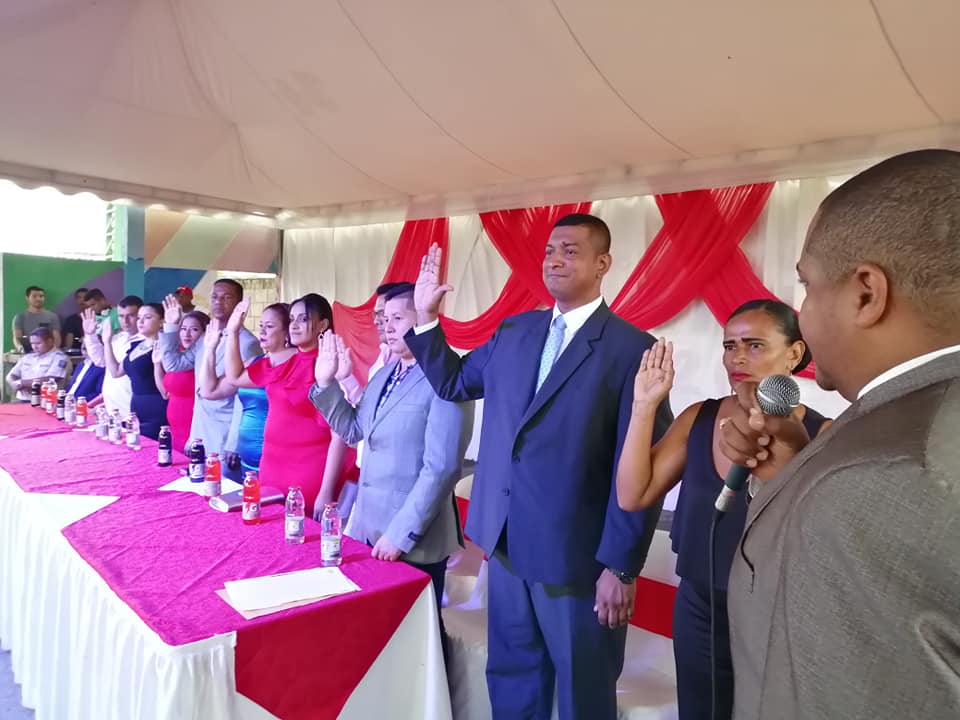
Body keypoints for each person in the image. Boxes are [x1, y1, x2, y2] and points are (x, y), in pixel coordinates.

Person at [717, 149, 960, 720]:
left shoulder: (881, 478)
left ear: (866, 294)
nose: (802, 309)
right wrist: (793, 470)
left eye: (806, 285)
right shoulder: (909, 421)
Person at [405, 214, 673, 720]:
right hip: (506, 545)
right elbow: (454, 382)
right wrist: (425, 318)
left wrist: (621, 566)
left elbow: (644, 466)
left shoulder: (631, 349)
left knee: (583, 691)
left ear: (602, 264)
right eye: (550, 250)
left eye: (570, 250)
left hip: (578, 558)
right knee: (513, 677)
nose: (555, 260)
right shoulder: (516, 331)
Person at [615, 300, 832, 720]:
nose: (738, 358)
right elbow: (632, 495)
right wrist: (644, 406)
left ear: (794, 353)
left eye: (754, 345)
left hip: (777, 612)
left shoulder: (821, 434)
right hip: (699, 606)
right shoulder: (699, 417)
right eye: (730, 346)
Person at [310, 283, 473, 657]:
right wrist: (325, 382)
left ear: (425, 318)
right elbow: (355, 430)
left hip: (413, 537)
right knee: (376, 637)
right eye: (383, 318)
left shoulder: (445, 373)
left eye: (398, 318)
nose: (387, 326)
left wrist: (401, 534)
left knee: (416, 642)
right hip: (368, 526)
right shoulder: (385, 373)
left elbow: (442, 467)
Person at [224, 294, 350, 516]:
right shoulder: (284, 360)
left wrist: (326, 491)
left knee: (301, 530)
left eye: (304, 319)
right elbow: (234, 377)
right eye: (292, 319)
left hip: (310, 469)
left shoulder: (331, 366)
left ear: (322, 324)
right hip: (272, 464)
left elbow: (339, 434)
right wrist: (233, 332)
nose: (294, 325)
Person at [158, 279, 260, 476]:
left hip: (224, 436)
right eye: (214, 297)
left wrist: (234, 443)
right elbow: (174, 364)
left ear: (239, 304)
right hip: (200, 432)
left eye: (226, 297)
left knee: (221, 489)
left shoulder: (247, 343)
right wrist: (171, 326)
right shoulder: (206, 337)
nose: (218, 302)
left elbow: (244, 398)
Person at [334, 281, 403, 523]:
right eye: (378, 315)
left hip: (393, 479)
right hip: (368, 470)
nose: (379, 321)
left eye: (386, 315)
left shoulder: (415, 366)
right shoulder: (384, 356)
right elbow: (370, 411)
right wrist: (344, 378)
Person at [202, 304, 286, 475]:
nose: (262, 331)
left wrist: (233, 333)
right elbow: (209, 391)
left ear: (287, 331)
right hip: (247, 461)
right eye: (261, 325)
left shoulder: (294, 364)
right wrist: (210, 349)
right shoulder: (254, 362)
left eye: (269, 326)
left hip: (277, 461)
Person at [102, 303, 168, 439]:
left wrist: (157, 364)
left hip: (156, 404)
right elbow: (115, 372)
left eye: (147, 317)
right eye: (139, 318)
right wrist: (107, 342)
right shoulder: (136, 345)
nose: (141, 322)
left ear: (161, 321)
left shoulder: (166, 346)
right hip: (136, 405)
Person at [155, 311, 209, 452]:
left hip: (194, 423)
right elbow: (165, 394)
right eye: (183, 329)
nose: (187, 334)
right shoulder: (176, 357)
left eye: (194, 329)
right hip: (175, 427)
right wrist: (157, 365)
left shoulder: (204, 358)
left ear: (205, 333)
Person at [83, 295, 142, 416]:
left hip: (132, 408)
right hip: (112, 407)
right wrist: (90, 335)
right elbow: (101, 361)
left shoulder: (146, 341)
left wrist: (107, 341)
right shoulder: (118, 338)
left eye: (131, 315)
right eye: (121, 316)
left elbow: (116, 372)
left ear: (140, 316)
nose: (125, 321)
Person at [5, 328, 69, 402]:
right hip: (22, 398)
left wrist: (22, 383)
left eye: (38, 343)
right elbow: (11, 375)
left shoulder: (59, 358)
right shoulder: (28, 357)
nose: (34, 347)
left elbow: (51, 379)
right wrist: (14, 384)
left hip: (45, 400)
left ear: (49, 341)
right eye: (32, 343)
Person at [12, 286, 61, 352]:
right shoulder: (20, 317)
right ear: (27, 298)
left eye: (41, 296)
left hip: (48, 353)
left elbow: (57, 338)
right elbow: (17, 338)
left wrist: (52, 352)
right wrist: (21, 349)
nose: (38, 299)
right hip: (27, 353)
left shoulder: (52, 316)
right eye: (34, 296)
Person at [61, 287, 89, 352]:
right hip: (76, 353)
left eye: (85, 297)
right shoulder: (71, 320)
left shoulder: (98, 318)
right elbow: (69, 345)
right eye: (79, 297)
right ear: (76, 300)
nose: (82, 300)